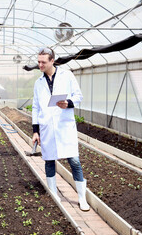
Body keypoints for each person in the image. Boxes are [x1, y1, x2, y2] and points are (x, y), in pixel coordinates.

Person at [31, 47, 90, 211]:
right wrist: (35, 131)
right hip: (47, 127)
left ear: (52, 61)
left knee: (74, 161)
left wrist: (68, 103)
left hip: (65, 126)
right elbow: (35, 107)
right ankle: (54, 194)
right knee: (49, 161)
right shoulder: (38, 83)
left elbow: (78, 96)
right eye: (38, 61)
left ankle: (81, 198)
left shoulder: (67, 76)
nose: (40, 65)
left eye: (43, 62)